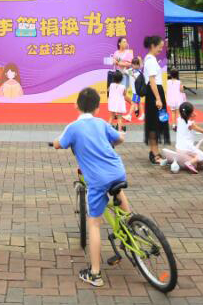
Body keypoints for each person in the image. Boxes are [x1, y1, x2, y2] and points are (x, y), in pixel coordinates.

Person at [52, 86, 129, 287]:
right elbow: (120, 138)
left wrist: (55, 142)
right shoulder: (102, 123)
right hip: (117, 170)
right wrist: (114, 141)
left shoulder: (73, 128)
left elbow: (59, 143)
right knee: (118, 189)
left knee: (94, 223)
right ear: (97, 108)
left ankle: (95, 273)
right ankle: (130, 226)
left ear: (76, 106)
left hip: (96, 179)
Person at [142, 35, 170, 164]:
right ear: (153, 46)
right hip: (154, 94)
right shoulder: (150, 61)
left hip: (155, 93)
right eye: (159, 47)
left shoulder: (151, 59)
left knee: (157, 123)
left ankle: (155, 152)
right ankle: (154, 154)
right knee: (154, 124)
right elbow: (152, 81)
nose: (161, 49)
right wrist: (158, 98)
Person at [111, 37, 137, 121]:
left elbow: (131, 64)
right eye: (124, 42)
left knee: (122, 93)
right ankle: (117, 113)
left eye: (126, 42)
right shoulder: (116, 52)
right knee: (118, 93)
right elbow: (114, 61)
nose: (125, 43)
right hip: (117, 75)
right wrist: (116, 62)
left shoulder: (128, 53)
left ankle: (132, 105)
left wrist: (120, 63)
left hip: (125, 75)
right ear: (119, 43)